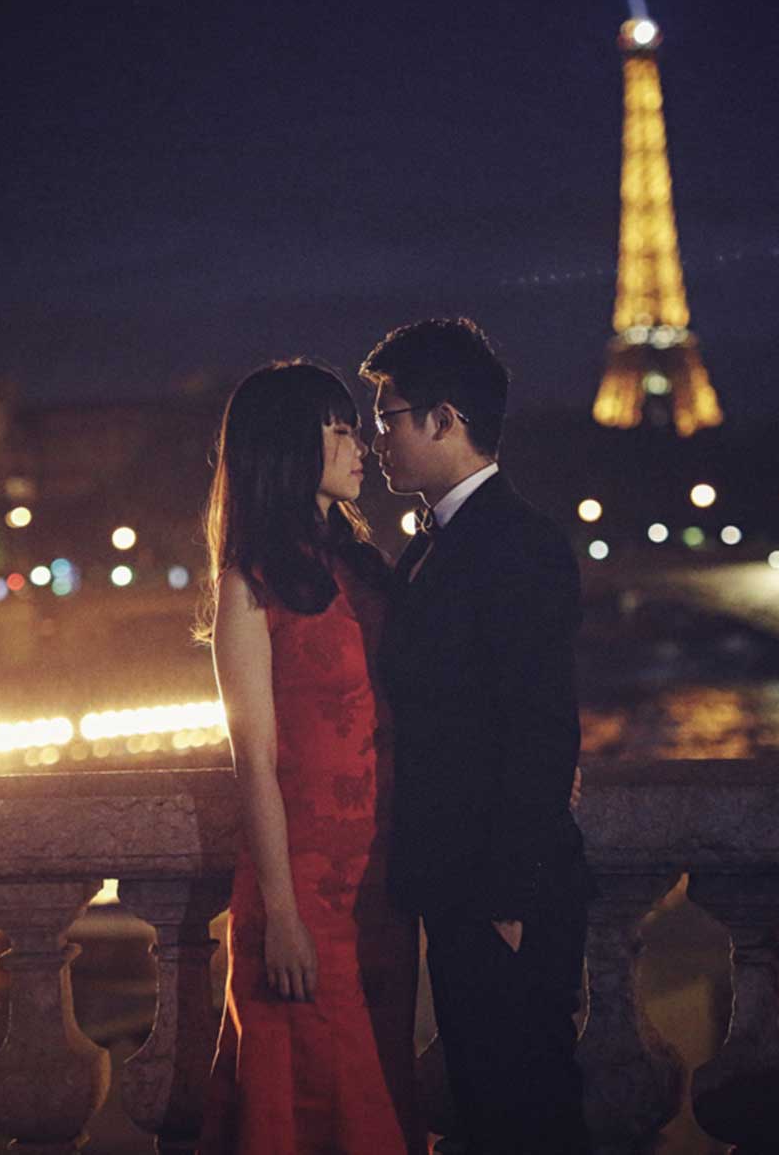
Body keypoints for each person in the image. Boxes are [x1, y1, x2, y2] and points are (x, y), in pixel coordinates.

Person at [360, 318, 595, 1155]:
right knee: (492, 1110)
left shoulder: (514, 544)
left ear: (444, 420)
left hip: (504, 893)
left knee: (523, 1111)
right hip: (462, 883)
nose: (375, 434)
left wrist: (506, 902)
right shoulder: (443, 541)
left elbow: (540, 728)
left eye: (388, 415)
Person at [195, 359, 426, 1155]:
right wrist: (282, 918)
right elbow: (253, 760)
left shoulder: (363, 570)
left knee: (381, 1092)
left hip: (382, 887)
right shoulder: (247, 585)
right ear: (289, 449)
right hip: (307, 895)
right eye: (337, 430)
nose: (359, 443)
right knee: (327, 1108)